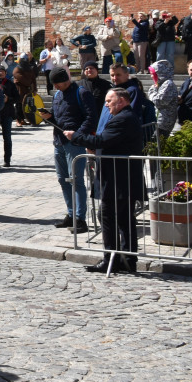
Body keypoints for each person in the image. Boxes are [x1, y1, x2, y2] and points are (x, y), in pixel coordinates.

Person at [65, 88, 145, 274]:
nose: (106, 104)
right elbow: (110, 142)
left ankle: (112, 259)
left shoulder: (123, 118)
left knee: (108, 216)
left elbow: (102, 140)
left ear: (122, 101)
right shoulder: (124, 116)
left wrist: (75, 136)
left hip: (118, 178)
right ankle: (126, 258)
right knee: (123, 219)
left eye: (110, 100)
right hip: (120, 177)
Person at [43, 67, 96, 234]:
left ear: (66, 80)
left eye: (57, 84)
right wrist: (48, 117)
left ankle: (80, 218)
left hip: (74, 143)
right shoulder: (58, 95)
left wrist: (78, 134)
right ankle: (71, 214)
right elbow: (57, 117)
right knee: (63, 179)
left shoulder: (82, 93)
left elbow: (91, 117)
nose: (56, 87)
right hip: (58, 141)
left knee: (76, 180)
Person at [147, 59, 179, 138]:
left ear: (160, 73)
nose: (151, 76)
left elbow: (160, 101)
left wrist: (151, 92)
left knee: (157, 144)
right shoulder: (160, 84)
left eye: (152, 74)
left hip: (164, 122)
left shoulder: (168, 84)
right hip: (159, 121)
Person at [0, 66, 19, 168]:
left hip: (7, 113)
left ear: (5, 73)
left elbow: (17, 98)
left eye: (2, 71)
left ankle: (7, 160)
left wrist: (8, 99)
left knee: (7, 138)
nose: (0, 73)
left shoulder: (10, 84)